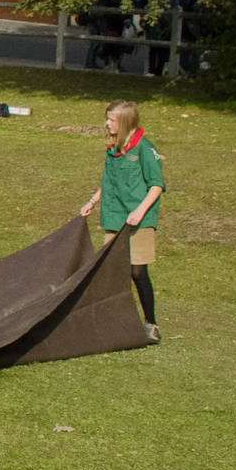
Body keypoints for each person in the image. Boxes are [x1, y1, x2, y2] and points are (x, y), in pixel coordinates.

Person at [79, 99, 165, 342]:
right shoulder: (114, 149)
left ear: (125, 122)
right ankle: (115, 322)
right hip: (115, 217)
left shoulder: (144, 149)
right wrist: (92, 201)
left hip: (139, 220)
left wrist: (140, 211)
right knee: (114, 272)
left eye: (111, 120)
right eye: (107, 118)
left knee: (137, 272)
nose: (107, 123)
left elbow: (157, 185)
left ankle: (151, 324)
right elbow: (109, 181)